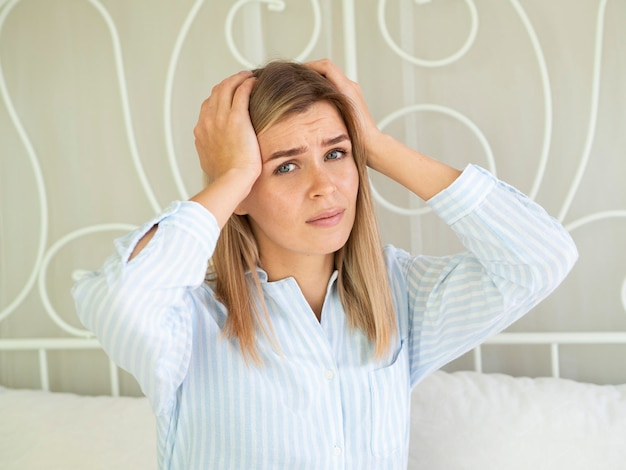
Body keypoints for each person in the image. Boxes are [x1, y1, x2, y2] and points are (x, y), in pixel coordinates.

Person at [72, 59, 578, 469]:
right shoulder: (188, 322)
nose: (325, 186)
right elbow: (122, 298)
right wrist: (231, 175)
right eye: (285, 165)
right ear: (241, 193)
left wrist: (376, 145)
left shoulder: (401, 298)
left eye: (336, 154)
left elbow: (541, 257)